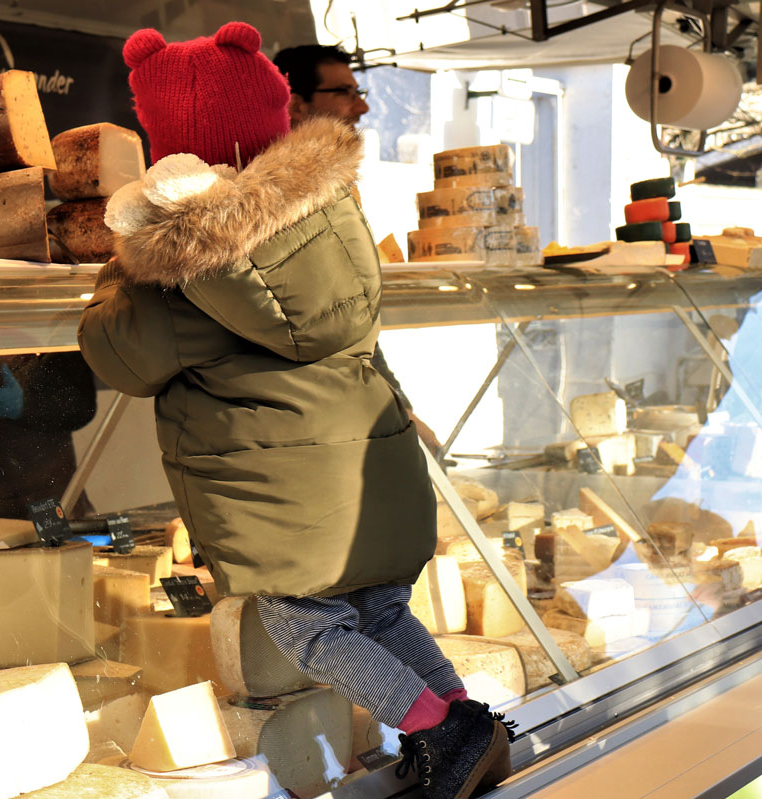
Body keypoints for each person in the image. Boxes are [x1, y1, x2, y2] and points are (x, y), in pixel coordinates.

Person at [79, 23, 510, 799]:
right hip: (364, 465)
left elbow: (120, 356)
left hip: (284, 497)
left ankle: (435, 727)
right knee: (378, 608)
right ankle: (470, 723)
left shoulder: (182, 263)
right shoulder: (333, 213)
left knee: (304, 625)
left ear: (170, 144)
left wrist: (123, 270)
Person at [272, 44, 443, 453]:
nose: (362, 108)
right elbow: (331, 320)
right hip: (310, 422)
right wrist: (396, 410)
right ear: (296, 105)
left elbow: (352, 318)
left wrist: (398, 407)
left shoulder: (335, 186)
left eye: (358, 92)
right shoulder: (282, 195)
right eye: (345, 93)